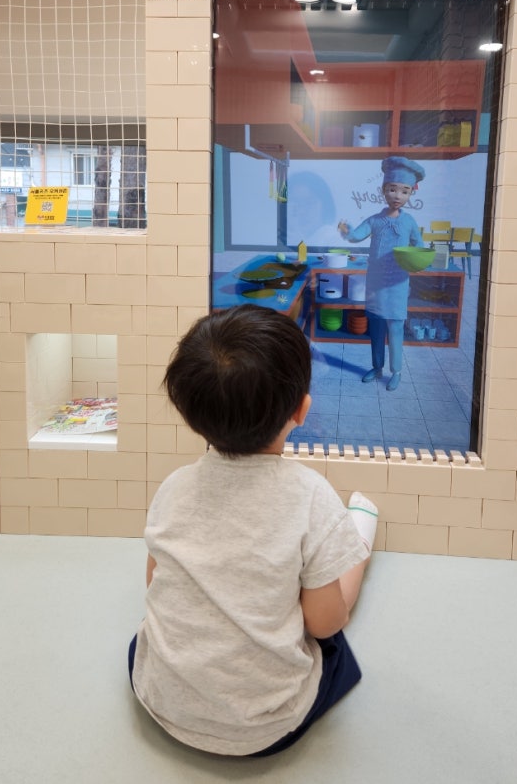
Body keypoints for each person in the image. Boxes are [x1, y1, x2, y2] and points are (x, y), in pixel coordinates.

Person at [128, 304, 379, 757]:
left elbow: (154, 582)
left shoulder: (174, 487)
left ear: (191, 414)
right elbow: (324, 623)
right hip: (265, 727)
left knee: (142, 640)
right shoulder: (311, 496)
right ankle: (359, 540)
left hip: (164, 701)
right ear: (301, 409)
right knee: (334, 639)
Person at [337, 156, 425, 391]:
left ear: (410, 194)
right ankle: (377, 367)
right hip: (375, 284)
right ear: (383, 190)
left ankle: (396, 371)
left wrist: (419, 261)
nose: (397, 196)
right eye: (392, 189)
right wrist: (346, 230)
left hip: (398, 284)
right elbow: (356, 235)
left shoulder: (409, 222)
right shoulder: (375, 220)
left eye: (404, 191)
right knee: (376, 328)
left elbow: (419, 246)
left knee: (395, 328)